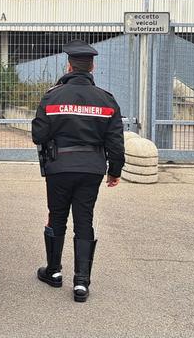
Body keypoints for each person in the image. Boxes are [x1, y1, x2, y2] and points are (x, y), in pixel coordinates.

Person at [31, 39, 125, 303]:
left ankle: (54, 272)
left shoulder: (52, 96)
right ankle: (81, 282)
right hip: (92, 170)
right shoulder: (106, 100)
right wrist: (114, 171)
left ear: (69, 65)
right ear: (92, 66)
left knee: (57, 216)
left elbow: (38, 135)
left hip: (59, 168)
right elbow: (116, 142)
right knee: (84, 220)